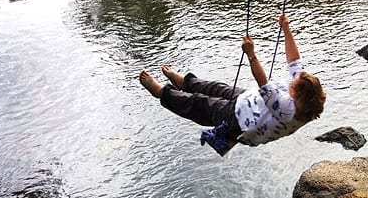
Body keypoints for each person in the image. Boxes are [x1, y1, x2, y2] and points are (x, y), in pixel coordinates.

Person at [138, 13, 326, 150]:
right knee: (215, 87)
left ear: (297, 95)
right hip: (248, 102)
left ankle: (162, 93)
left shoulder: (288, 109)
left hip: (241, 121)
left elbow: (263, 83)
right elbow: (294, 61)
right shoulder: (309, 96)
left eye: (293, 86)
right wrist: (286, 28)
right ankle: (185, 82)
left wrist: (251, 54)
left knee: (200, 103)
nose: (291, 82)